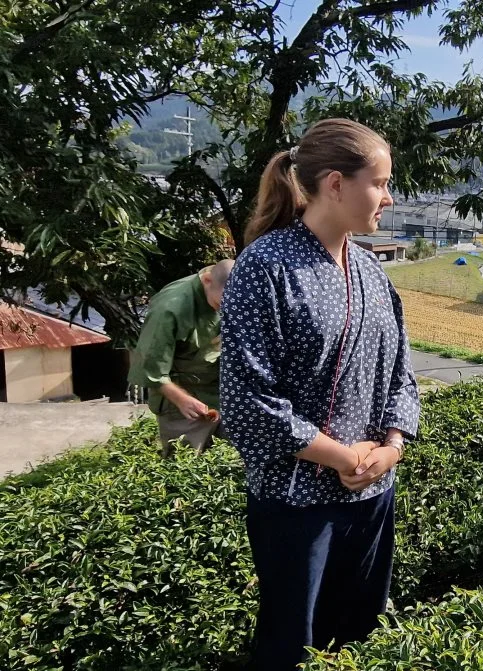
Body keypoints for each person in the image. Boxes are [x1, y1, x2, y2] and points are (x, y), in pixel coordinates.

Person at [219, 118, 420, 669]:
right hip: (296, 506)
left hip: (373, 493)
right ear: (336, 184)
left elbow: (402, 373)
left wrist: (392, 446)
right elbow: (246, 400)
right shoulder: (266, 267)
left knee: (359, 634)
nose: (389, 195)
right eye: (380, 183)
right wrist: (340, 456)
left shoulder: (372, 272)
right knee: (294, 645)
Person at [128, 259, 235, 457]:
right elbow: (150, 366)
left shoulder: (239, 291)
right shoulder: (170, 308)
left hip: (220, 389)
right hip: (180, 395)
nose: (223, 311)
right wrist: (182, 399)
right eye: (219, 304)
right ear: (206, 280)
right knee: (185, 461)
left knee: (229, 460)